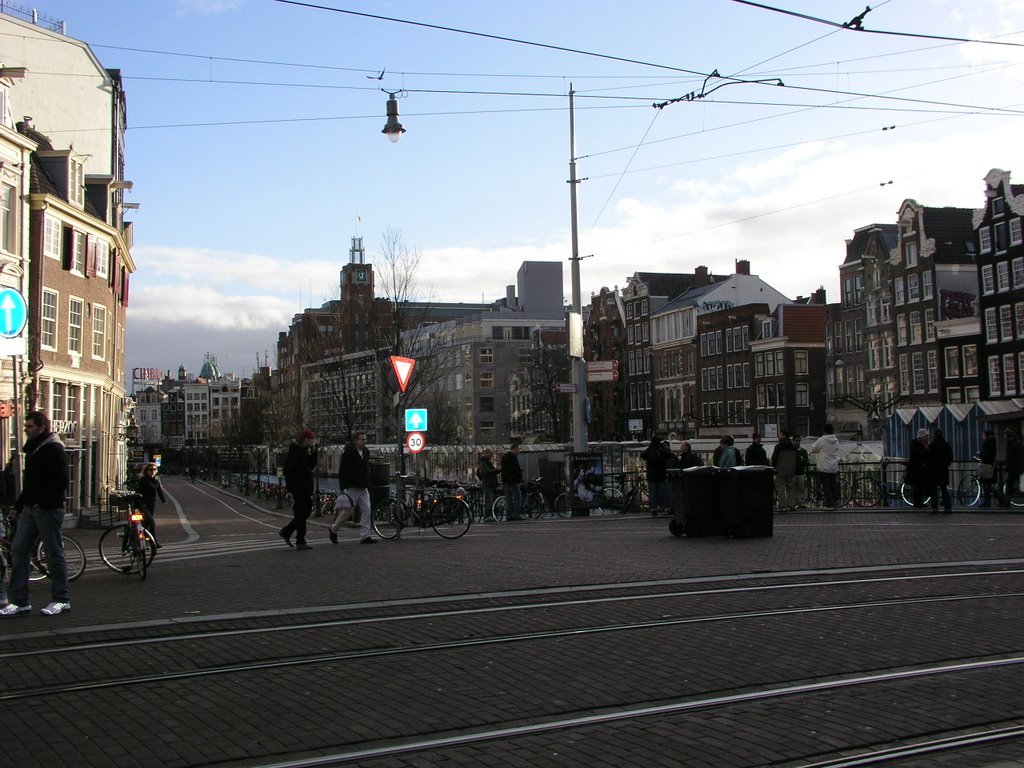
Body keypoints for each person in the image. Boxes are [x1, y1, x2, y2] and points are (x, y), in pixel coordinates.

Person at [1, 411, 71, 617]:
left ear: (41, 427)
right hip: (32, 509)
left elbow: (60, 481)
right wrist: (20, 505)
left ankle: (61, 599)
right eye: (26, 426)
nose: (26, 429)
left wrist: (43, 502)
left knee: (53, 553)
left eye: (30, 426)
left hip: (48, 510)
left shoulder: (54, 449)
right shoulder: (35, 450)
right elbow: (31, 484)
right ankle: (20, 601)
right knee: (19, 550)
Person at [333, 431, 375, 544]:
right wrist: (343, 487)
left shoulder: (366, 452)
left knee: (367, 509)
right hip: (352, 486)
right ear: (356, 440)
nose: (364, 441)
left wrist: (368, 481)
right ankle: (334, 529)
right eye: (362, 439)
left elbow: (366, 469)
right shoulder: (349, 453)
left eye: (365, 439)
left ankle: (365, 535)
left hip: (363, 486)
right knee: (348, 511)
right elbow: (343, 471)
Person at [280, 428, 316, 550]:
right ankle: (300, 540)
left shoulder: (305, 451)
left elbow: (310, 466)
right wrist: (291, 488)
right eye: (311, 439)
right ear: (305, 439)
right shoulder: (296, 451)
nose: (313, 441)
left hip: (305, 487)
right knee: (302, 513)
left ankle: (287, 532)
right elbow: (289, 470)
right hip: (298, 488)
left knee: (304, 513)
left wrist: (314, 454)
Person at [809, 424, 841, 509]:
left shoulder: (821, 440)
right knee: (833, 485)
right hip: (833, 467)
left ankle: (829, 504)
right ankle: (834, 503)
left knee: (826, 486)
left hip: (823, 466)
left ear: (824, 431)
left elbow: (813, 449)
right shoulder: (836, 440)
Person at [136, 462, 166, 545]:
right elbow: (138, 490)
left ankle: (144, 541)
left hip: (151, 503)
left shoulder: (157, 480)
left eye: (154, 469)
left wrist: (163, 500)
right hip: (143, 503)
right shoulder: (143, 480)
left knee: (146, 523)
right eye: (151, 470)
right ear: (147, 471)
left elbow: (159, 491)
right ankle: (154, 542)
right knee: (151, 522)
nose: (153, 471)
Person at [641, 438, 674, 515]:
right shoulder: (661, 451)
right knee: (664, 492)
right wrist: (662, 447)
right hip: (661, 475)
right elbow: (669, 455)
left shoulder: (649, 451)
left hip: (651, 476)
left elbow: (643, 455)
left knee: (652, 493)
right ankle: (668, 507)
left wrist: (649, 448)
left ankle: (653, 508)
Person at [927, 428, 953, 515]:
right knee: (944, 489)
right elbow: (950, 458)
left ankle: (934, 508)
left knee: (934, 490)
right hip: (943, 470)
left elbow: (928, 459)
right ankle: (948, 508)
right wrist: (946, 465)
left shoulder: (932, 446)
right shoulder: (946, 445)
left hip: (934, 471)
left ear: (934, 435)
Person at [771, 433, 797, 511]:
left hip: (780, 470)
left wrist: (775, 467)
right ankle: (791, 504)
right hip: (791, 470)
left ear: (784, 436)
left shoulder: (778, 446)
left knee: (781, 488)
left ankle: (782, 505)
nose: (779, 436)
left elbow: (774, 459)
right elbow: (797, 459)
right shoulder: (793, 447)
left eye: (780, 435)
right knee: (791, 488)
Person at [907, 428, 931, 509]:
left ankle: (918, 502)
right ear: (922, 437)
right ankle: (918, 502)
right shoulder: (916, 443)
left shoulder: (919, 444)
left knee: (919, 486)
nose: (927, 438)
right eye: (926, 436)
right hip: (916, 469)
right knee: (918, 486)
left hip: (920, 469)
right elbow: (918, 453)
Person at [500, 443, 524, 521]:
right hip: (513, 481)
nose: (519, 451)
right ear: (515, 449)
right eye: (518, 449)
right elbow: (514, 469)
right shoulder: (513, 457)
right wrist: (519, 474)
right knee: (517, 498)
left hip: (506, 481)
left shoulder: (504, 457)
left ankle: (509, 515)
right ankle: (517, 515)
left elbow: (503, 470)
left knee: (508, 499)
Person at [476, 449, 498, 520]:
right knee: (488, 500)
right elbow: (487, 471)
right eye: (490, 454)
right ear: (487, 454)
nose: (491, 456)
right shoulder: (484, 462)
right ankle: (487, 516)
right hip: (488, 483)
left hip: (489, 483)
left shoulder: (485, 461)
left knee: (489, 500)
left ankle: (489, 515)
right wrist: (496, 471)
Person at [978, 429, 998, 507]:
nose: (982, 437)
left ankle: (1001, 497)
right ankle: (988, 501)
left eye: (983, 435)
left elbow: (986, 455)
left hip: (986, 467)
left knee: (986, 484)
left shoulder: (987, 443)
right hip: (991, 466)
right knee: (987, 485)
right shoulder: (994, 442)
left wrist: (980, 454)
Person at [1004, 428, 1023, 507]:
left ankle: (1007, 502)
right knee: (1010, 485)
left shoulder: (1015, 444)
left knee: (1011, 485)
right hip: (1014, 468)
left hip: (1016, 468)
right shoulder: (1014, 443)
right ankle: (1007, 502)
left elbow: (1020, 457)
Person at [793, 435, 809, 509]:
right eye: (796, 440)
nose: (798, 442)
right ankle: (794, 502)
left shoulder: (803, 451)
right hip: (793, 472)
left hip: (800, 472)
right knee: (793, 488)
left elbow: (805, 461)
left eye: (799, 440)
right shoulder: (792, 451)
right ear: (793, 441)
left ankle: (800, 502)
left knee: (801, 488)